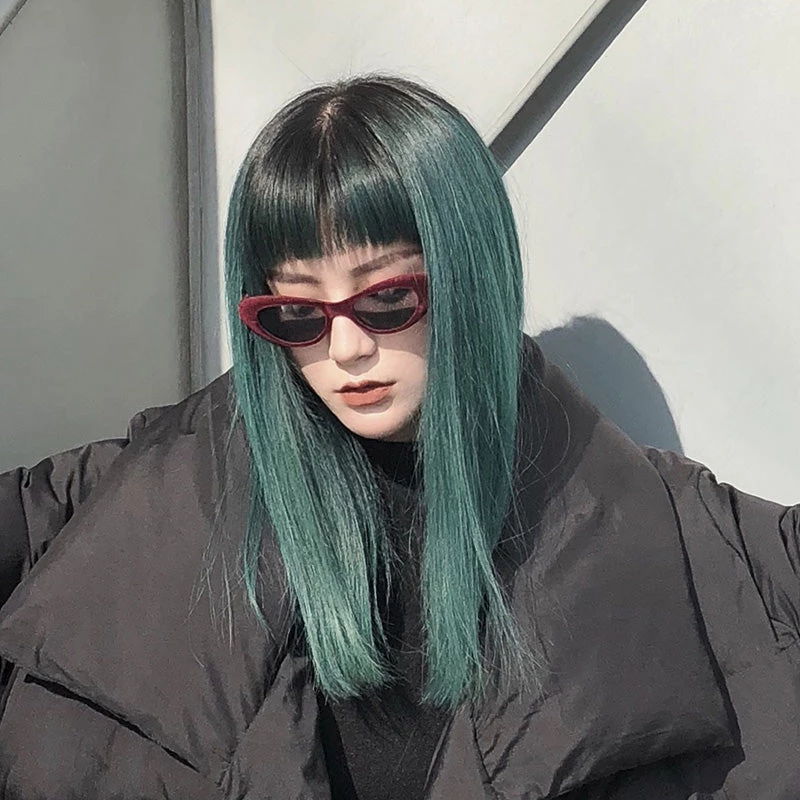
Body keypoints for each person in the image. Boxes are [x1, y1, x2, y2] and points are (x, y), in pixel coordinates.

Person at [0, 74, 798, 800]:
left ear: (470, 274)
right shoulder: (110, 498)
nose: (345, 348)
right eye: (297, 311)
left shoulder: (707, 543)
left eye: (385, 298)